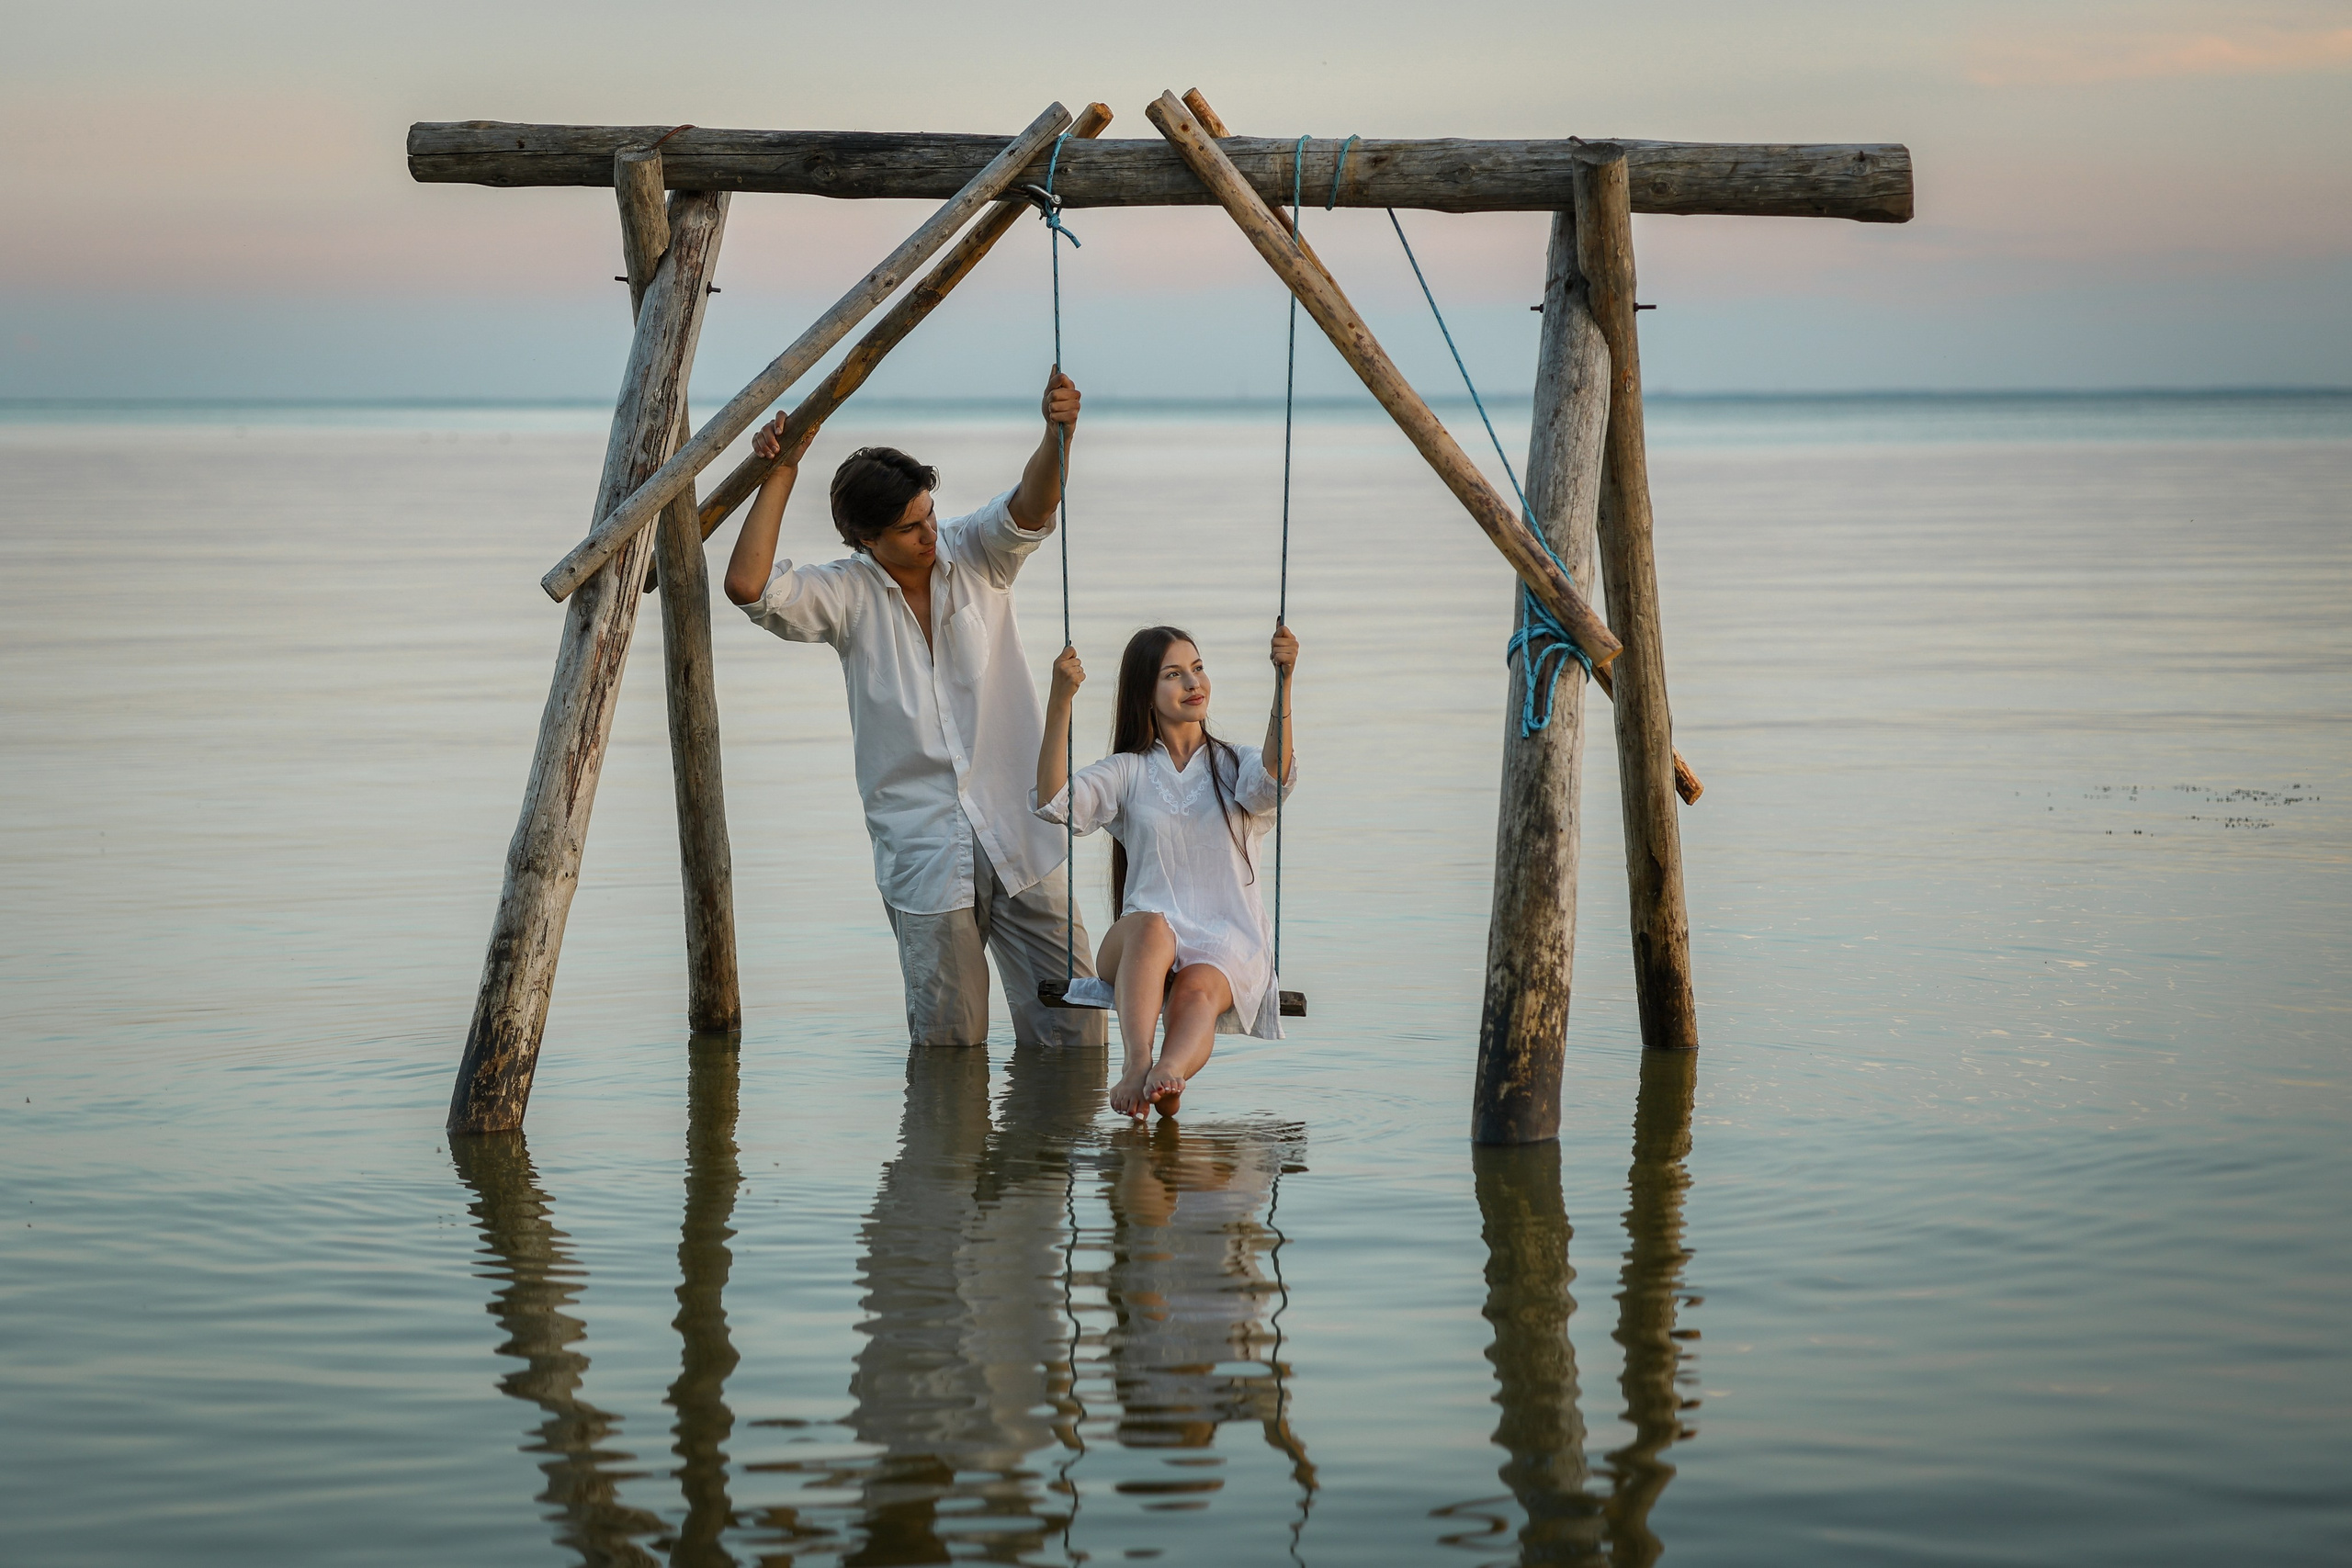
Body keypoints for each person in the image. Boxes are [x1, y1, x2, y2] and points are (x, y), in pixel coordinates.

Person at [723, 369, 1105, 1051]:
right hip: (927, 858)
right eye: (910, 528)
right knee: (948, 1051)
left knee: (1076, 1036)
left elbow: (1032, 506)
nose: (931, 535)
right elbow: (749, 586)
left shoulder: (975, 552)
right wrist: (780, 470)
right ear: (865, 540)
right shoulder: (844, 596)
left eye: (931, 515)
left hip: (1022, 832)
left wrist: (1057, 433)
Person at [1034, 623, 1300, 1118]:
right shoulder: (1128, 770)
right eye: (1174, 675)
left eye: (1197, 669)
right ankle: (1138, 1064)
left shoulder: (1234, 765)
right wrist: (1060, 701)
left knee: (1198, 988)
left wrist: (1283, 681)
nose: (1193, 683)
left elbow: (1274, 779)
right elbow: (1054, 804)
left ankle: (1168, 1074)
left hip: (1226, 940)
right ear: (1146, 694)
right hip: (1141, 945)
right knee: (1155, 926)